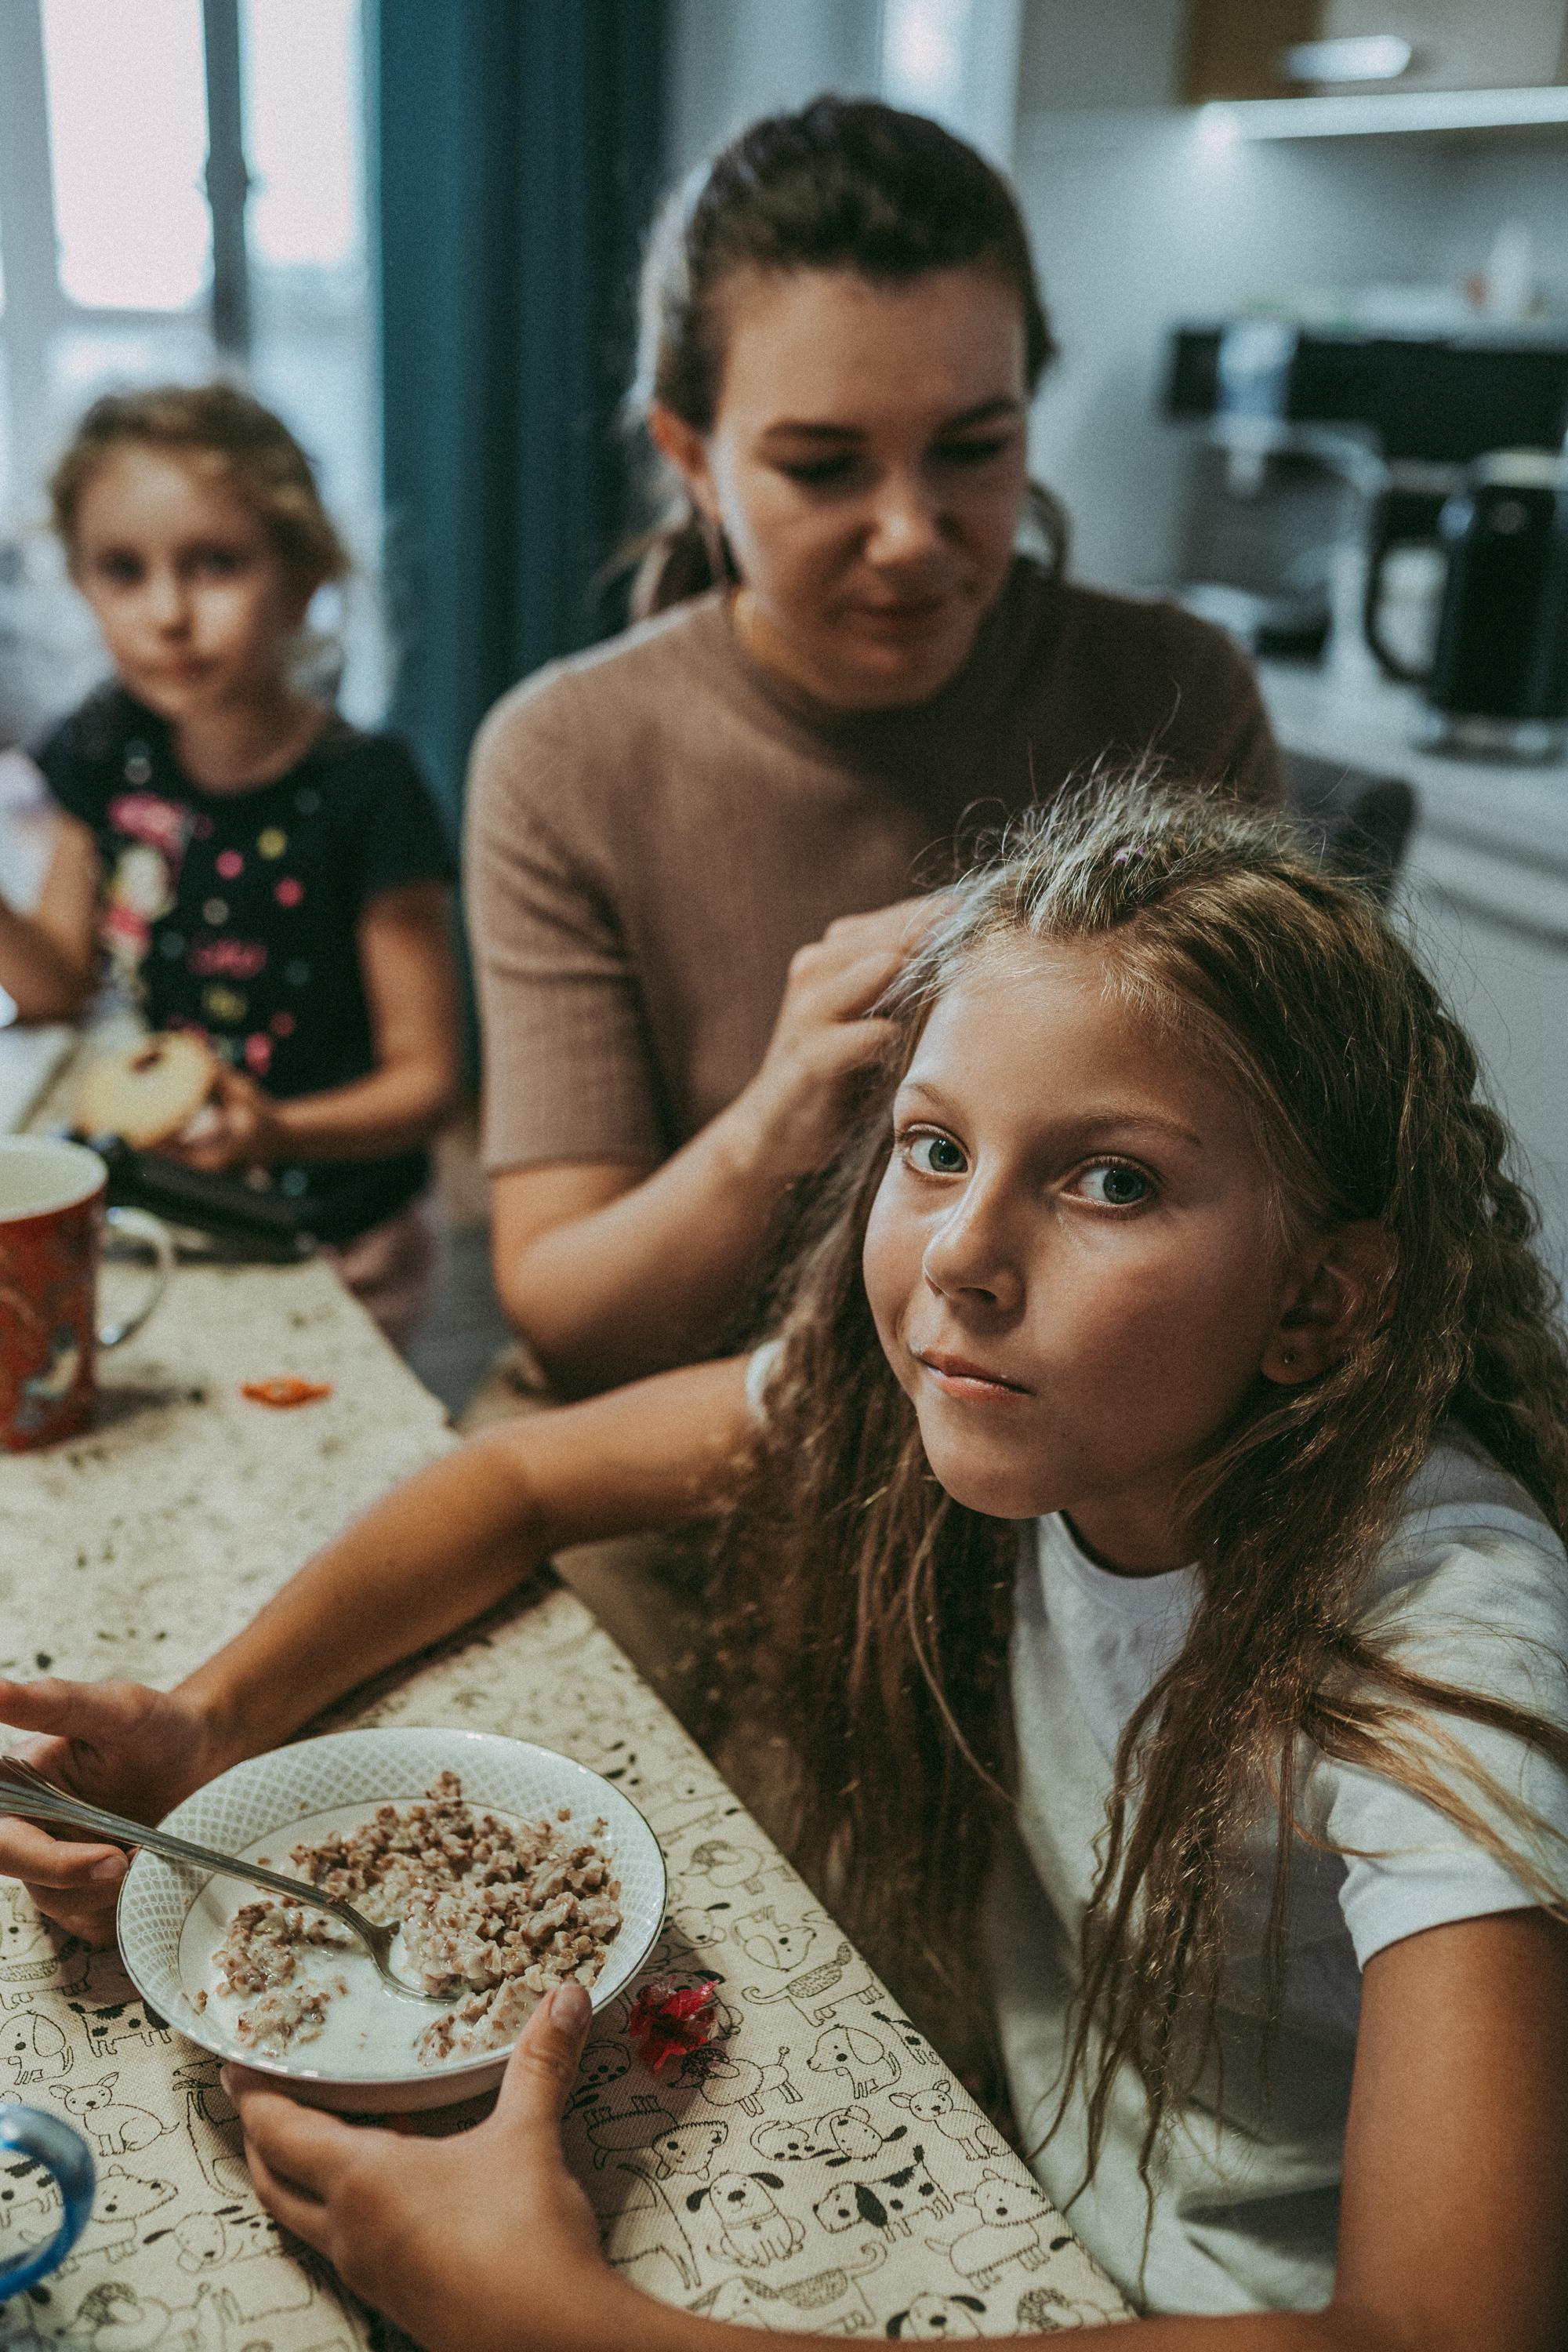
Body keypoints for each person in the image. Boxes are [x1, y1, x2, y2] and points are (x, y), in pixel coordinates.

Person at [3, 781, 1565, 2346]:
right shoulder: (955, 1402)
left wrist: (565, 2327)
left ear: (1317, 1303)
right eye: (935, 1149)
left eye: (1113, 1181)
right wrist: (211, 1720)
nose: (960, 1254)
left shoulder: (1443, 1637)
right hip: (1011, 2177)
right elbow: (517, 1479)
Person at [468, 96, 1284, 1404]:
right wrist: (774, 1123)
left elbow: (1276, 1199)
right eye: (823, 466)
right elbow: (574, 1325)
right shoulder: (563, 761)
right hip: (699, 1426)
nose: (910, 535)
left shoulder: (1179, 694)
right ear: (693, 458)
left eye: (974, 449)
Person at [0, 384, 461, 1344]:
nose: (168, 612)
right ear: (81, 583)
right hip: (174, 1213)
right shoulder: (101, 750)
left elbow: (427, 1082)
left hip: (336, 1233)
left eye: (215, 564)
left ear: (304, 573)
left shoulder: (368, 790)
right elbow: (55, 985)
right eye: (123, 571)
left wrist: (278, 1132)